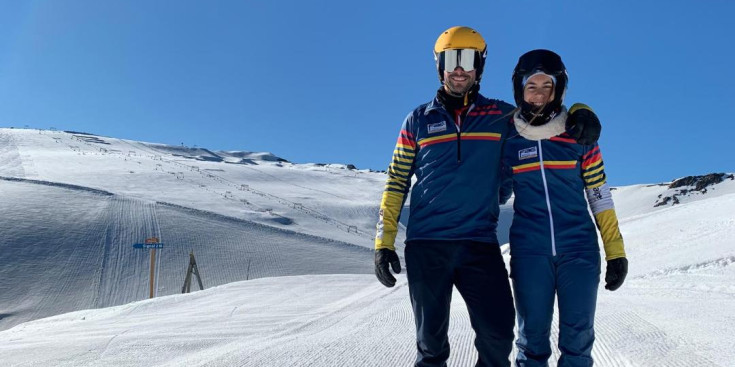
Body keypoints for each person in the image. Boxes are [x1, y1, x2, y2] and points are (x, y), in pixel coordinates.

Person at [373, 26, 603, 367]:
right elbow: (396, 181)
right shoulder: (417, 121)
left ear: (480, 66)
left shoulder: (500, 116)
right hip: (427, 244)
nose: (459, 68)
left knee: (498, 335)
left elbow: (541, 115)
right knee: (431, 345)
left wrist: (583, 111)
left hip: (479, 243)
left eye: (468, 59)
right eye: (451, 59)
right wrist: (383, 241)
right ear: (439, 66)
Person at [500, 49, 629, 367]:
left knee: (578, 342)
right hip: (530, 254)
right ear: (520, 89)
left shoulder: (580, 134)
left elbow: (599, 193)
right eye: (532, 86)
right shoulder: (509, 141)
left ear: (559, 89)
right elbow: (493, 194)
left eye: (548, 85)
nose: (540, 94)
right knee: (531, 344)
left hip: (579, 252)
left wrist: (615, 250)